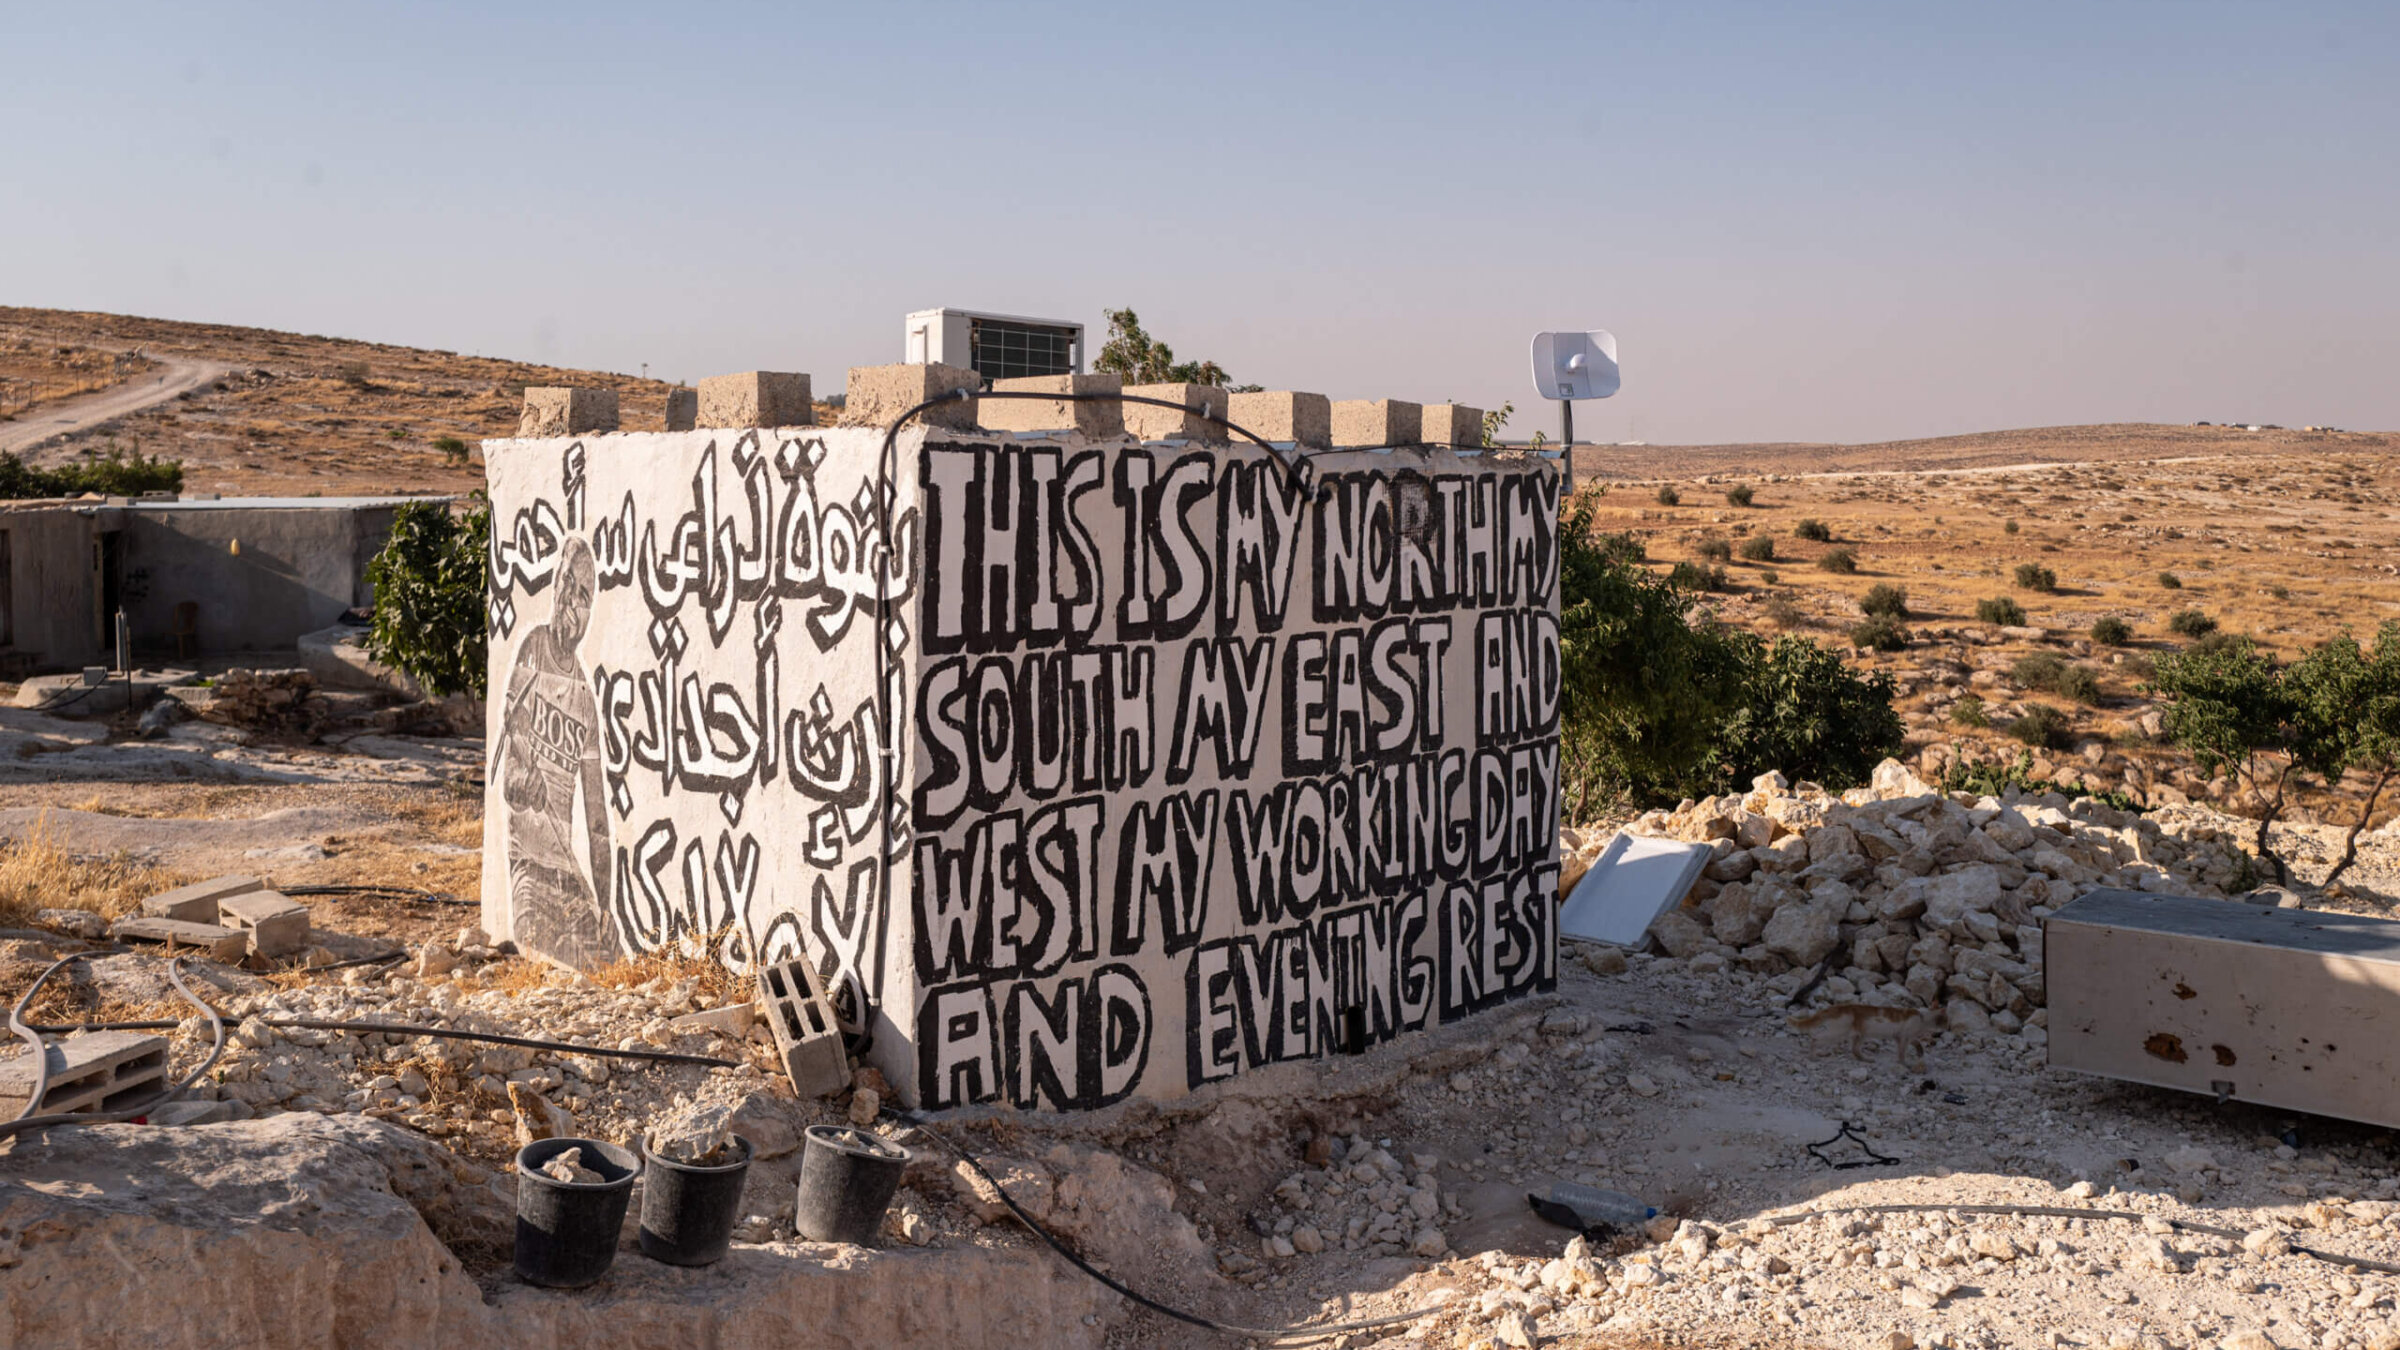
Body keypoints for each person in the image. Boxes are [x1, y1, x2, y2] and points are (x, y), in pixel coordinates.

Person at [490, 539, 619, 967]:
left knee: (611, 972)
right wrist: (526, 784)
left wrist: (605, 906)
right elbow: (510, 777)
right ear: (555, 587)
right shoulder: (532, 649)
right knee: (556, 965)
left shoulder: (584, 696)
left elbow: (598, 822)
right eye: (568, 586)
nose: (572, 603)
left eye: (585, 596)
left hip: (570, 881)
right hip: (530, 869)